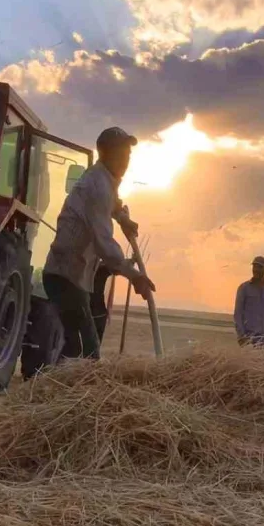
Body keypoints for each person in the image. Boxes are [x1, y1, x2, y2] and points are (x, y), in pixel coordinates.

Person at [43, 126, 156, 361]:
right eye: (122, 154)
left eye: (128, 154)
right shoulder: (98, 186)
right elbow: (104, 243)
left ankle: (61, 387)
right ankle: (62, 392)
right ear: (106, 154)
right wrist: (134, 276)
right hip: (66, 275)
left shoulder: (103, 179)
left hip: (71, 274)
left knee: (79, 345)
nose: (127, 160)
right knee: (86, 350)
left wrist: (123, 218)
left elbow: (113, 203)